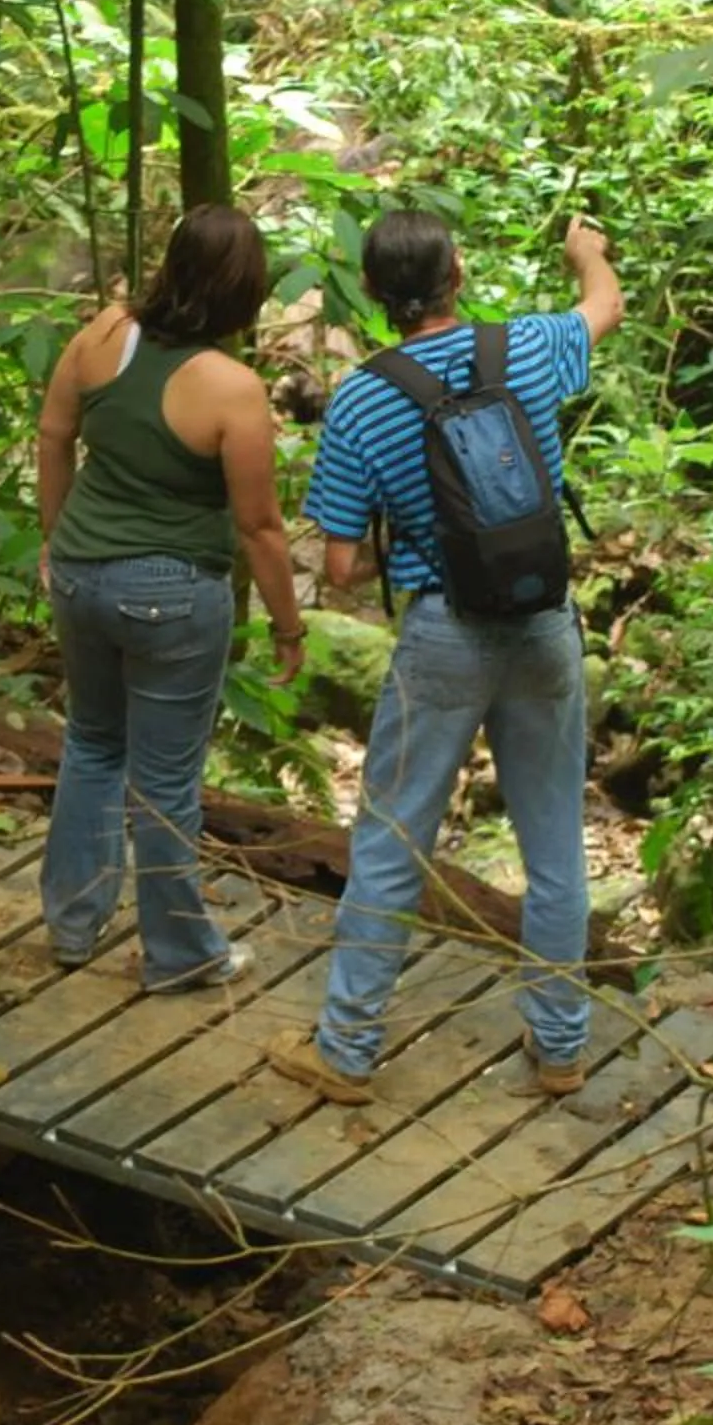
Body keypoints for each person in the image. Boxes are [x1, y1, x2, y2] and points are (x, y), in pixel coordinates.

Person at [269, 210, 622, 1104]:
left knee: (392, 841)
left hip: (442, 635)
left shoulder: (363, 398)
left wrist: (408, 545)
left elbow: (340, 566)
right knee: (555, 846)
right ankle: (561, 1048)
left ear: (373, 293)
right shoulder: (528, 349)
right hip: (545, 626)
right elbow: (604, 306)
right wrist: (585, 253)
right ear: (457, 274)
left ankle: (347, 1052)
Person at [34, 204, 306, 990]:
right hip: (172, 595)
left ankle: (71, 925)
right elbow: (259, 526)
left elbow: (53, 436)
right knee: (164, 783)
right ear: (246, 292)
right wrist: (288, 628)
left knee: (92, 742)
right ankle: (181, 953)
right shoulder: (232, 388)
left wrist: (56, 537)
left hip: (80, 573)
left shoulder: (103, 333)